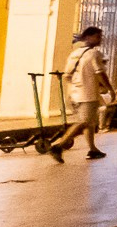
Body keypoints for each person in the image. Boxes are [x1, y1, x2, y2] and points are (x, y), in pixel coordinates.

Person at [48, 26, 112, 162]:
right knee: (84, 122)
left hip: (75, 93)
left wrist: (76, 85)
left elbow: (67, 75)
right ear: (88, 37)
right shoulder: (94, 54)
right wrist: (110, 88)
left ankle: (93, 149)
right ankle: (59, 146)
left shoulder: (75, 53)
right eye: (97, 36)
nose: (100, 39)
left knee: (89, 123)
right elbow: (100, 73)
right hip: (87, 93)